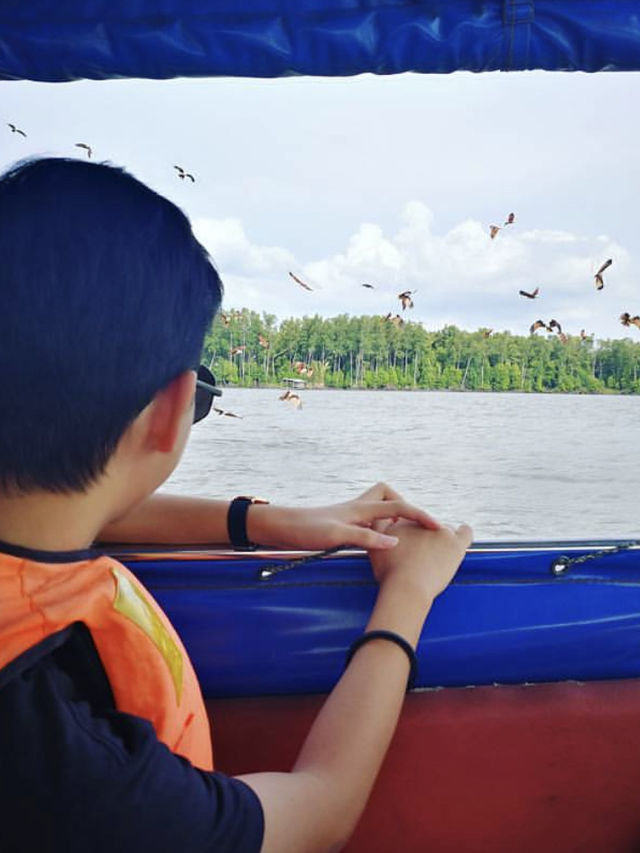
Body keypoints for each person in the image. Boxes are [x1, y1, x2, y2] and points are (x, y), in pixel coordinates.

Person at [0, 157, 472, 853]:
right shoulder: (72, 767)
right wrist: (406, 594)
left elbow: (67, 503)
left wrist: (266, 519)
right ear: (171, 413)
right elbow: (321, 808)